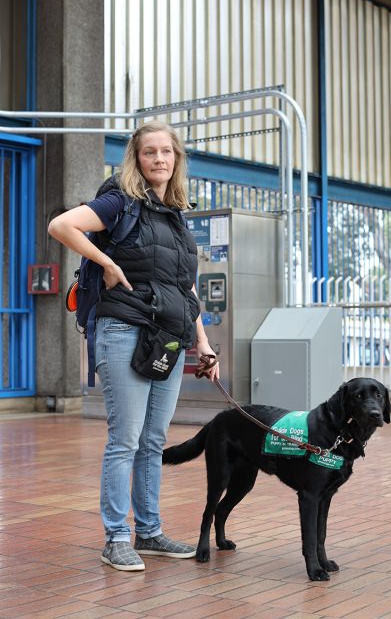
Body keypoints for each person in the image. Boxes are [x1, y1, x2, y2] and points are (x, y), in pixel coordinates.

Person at [48, 120, 219, 571]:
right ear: (136, 159)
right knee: (124, 439)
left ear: (176, 159)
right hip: (124, 329)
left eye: (167, 152)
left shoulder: (177, 216)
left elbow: (187, 288)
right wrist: (105, 263)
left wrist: (203, 343)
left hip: (168, 337)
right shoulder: (119, 200)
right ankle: (116, 537)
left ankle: (149, 532)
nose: (159, 159)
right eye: (150, 153)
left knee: (153, 440)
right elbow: (62, 225)